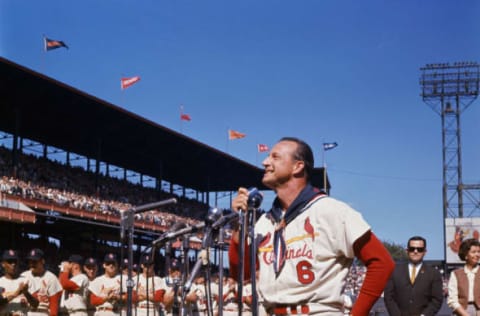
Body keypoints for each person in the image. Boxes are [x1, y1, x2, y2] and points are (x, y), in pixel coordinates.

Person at [228, 137, 395, 315]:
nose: (265, 162)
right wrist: (239, 226)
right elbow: (243, 275)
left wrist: (357, 313)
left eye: (275, 157)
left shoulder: (331, 211)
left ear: (298, 166)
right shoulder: (264, 222)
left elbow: (382, 263)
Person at [384, 236, 444, 316]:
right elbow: (388, 297)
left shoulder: (434, 273)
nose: (415, 251)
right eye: (412, 249)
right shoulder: (395, 271)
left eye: (420, 249)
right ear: (407, 251)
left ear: (425, 252)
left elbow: (437, 300)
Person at [21, 248, 63, 316]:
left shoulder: (51, 278)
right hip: (25, 312)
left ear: (42, 261)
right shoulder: (23, 276)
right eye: (30, 261)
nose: (31, 264)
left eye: (34, 261)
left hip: (42, 313)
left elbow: (54, 305)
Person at [0, 249, 38, 316]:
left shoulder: (27, 280)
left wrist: (26, 293)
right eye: (10, 262)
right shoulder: (0, 282)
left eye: (15, 261)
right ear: (3, 264)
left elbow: (35, 305)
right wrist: (16, 293)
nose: (13, 264)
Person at [447, 238, 480, 315]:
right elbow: (452, 300)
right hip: (461, 311)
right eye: (473, 252)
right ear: (465, 255)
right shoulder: (455, 274)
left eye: (478, 252)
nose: (477, 254)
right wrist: (465, 314)